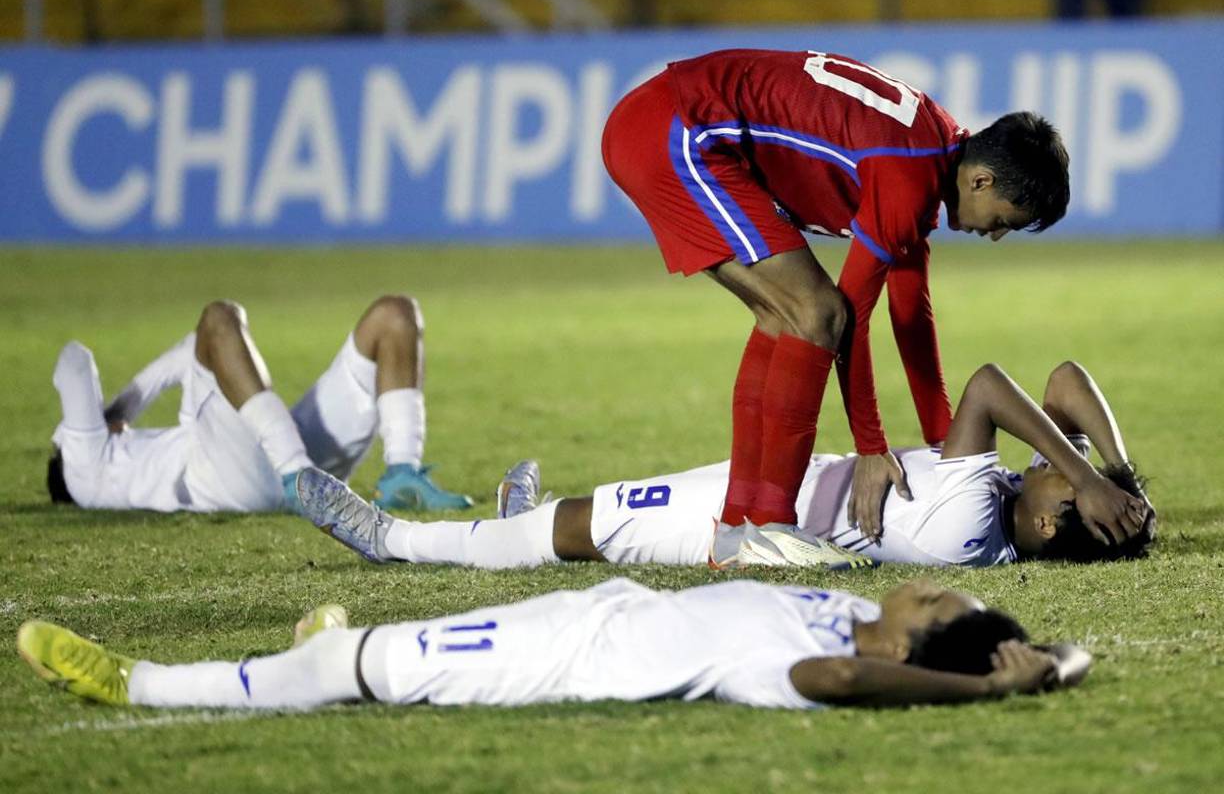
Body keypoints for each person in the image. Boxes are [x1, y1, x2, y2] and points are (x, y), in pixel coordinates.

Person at [602, 49, 1073, 549]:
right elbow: (851, 319)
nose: (995, 234)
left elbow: (911, 315)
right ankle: (769, 529)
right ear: (981, 181)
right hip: (676, 131)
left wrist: (943, 445)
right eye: (1003, 220)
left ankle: (740, 529)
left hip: (665, 123)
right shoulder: (907, 172)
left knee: (784, 318)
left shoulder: (931, 149)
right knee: (817, 312)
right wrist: (870, 447)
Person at [296, 360, 1153, 570]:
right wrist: (1118, 477)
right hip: (783, 486)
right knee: (595, 510)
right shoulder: (1013, 502)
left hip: (755, 527)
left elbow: (991, 385)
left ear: (1051, 521)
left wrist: (1089, 478)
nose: (1064, 458)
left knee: (584, 529)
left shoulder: (971, 517)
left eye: (1066, 472)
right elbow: (1065, 383)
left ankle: (393, 540)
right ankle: (524, 517)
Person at [16, 577, 1092, 711]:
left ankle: (138, 683)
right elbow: (1060, 648)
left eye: (936, 598)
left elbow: (841, 678)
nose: (923, 584)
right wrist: (1041, 660)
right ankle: (335, 639)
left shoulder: (811, 663)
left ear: (918, 640)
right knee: (379, 645)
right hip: (582, 610)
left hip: (557, 660)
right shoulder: (838, 604)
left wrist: (986, 692)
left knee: (347, 672)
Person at [46, 295, 471, 514]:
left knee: (393, 314)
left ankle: (402, 473)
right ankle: (298, 473)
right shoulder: (79, 467)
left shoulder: (118, 465)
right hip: (227, 483)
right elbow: (74, 361)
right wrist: (113, 415)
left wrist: (119, 414)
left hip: (261, 456)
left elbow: (192, 349)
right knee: (219, 317)